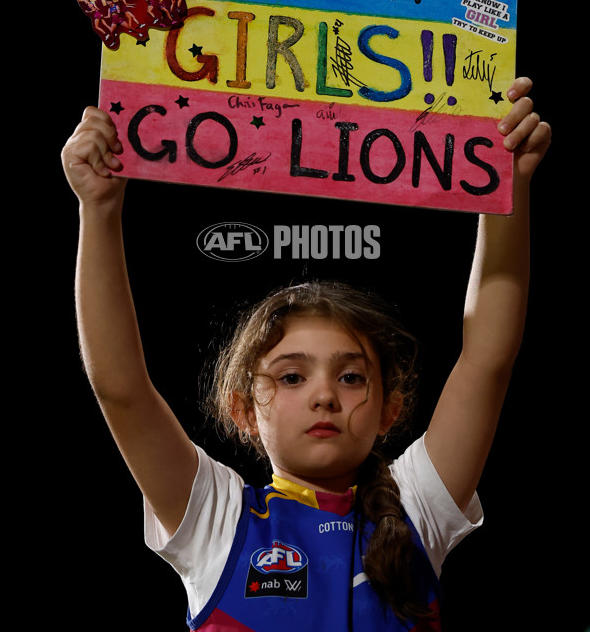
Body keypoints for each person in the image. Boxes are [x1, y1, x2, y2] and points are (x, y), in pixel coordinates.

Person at [61, 77, 551, 630]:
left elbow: (487, 361)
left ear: (390, 408)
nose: (324, 396)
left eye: (350, 377)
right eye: (292, 377)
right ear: (245, 408)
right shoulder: (217, 522)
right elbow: (121, 390)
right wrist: (98, 211)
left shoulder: (418, 507)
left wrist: (505, 191)